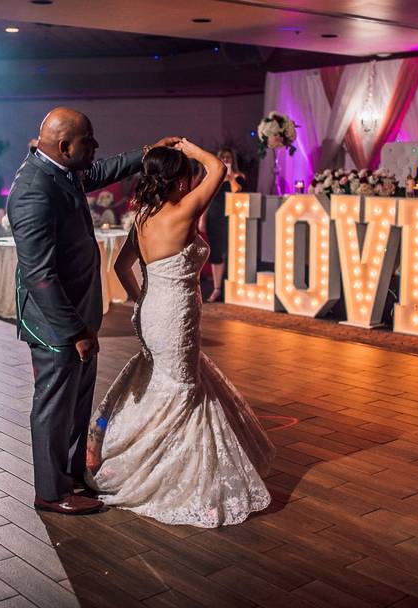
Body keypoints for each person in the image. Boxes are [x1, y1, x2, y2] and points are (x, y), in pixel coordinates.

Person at [85, 139, 275, 527]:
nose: (191, 184)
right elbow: (218, 169)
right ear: (177, 182)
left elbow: (122, 269)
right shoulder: (183, 210)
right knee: (183, 389)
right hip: (176, 316)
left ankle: (110, 439)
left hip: (151, 312)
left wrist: (143, 300)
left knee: (161, 379)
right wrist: (191, 147)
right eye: (186, 178)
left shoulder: (143, 217)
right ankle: (158, 473)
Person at [7, 106, 180, 515]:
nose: (96, 147)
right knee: (53, 404)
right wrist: (75, 332)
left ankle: (71, 478)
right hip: (54, 324)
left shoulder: (61, 169)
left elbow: (100, 171)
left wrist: (147, 152)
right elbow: (40, 276)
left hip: (78, 313)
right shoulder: (34, 189)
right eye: (89, 141)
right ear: (65, 146)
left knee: (76, 402)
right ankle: (50, 493)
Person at [199, 147, 246, 302]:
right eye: (223, 157)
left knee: (233, 253)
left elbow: (238, 192)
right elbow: (207, 199)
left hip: (233, 218)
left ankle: (232, 289)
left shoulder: (239, 177)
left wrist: (231, 178)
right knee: (216, 253)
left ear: (233, 160)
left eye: (229, 157)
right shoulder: (212, 177)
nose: (226, 160)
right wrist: (202, 219)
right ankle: (217, 288)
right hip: (214, 217)